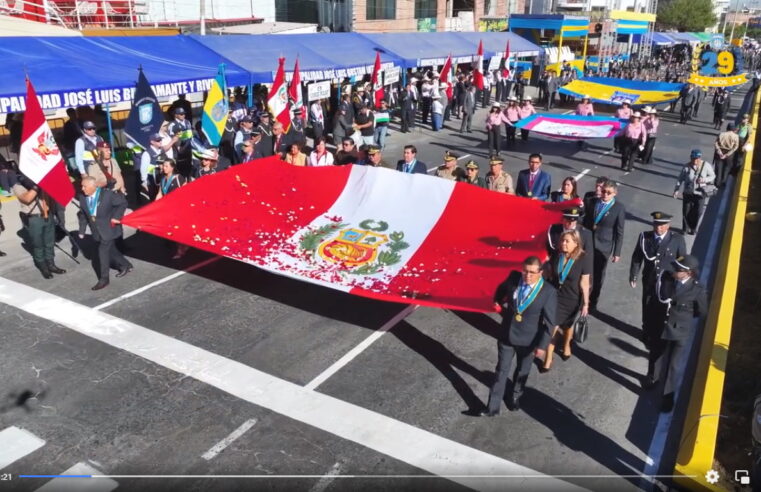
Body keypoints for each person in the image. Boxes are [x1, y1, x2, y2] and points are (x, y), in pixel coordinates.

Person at [482, 256, 557, 415]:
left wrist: (542, 346)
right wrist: (497, 300)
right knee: (501, 371)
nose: (527, 276)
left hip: (529, 340)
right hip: (507, 335)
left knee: (522, 371)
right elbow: (502, 289)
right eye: (525, 271)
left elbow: (550, 323)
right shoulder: (513, 278)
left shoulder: (548, 292)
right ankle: (492, 407)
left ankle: (514, 396)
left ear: (540, 272)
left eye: (532, 272)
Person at [642, 255, 707, 413]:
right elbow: (655, 299)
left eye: (679, 270)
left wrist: (684, 317)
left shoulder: (697, 289)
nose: (675, 271)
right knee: (656, 353)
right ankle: (653, 378)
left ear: (688, 273)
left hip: (680, 330)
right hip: (662, 325)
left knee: (673, 365)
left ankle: (667, 397)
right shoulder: (666, 278)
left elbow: (702, 311)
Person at [630, 211, 687, 350]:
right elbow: (637, 257)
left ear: (668, 225)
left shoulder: (677, 239)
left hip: (667, 282)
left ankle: (658, 332)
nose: (658, 228)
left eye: (662, 225)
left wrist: (682, 281)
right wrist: (634, 275)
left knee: (662, 309)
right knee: (647, 305)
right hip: (650, 279)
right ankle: (647, 331)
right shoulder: (645, 237)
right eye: (656, 224)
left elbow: (682, 261)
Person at [542, 230, 591, 371]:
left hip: (571, 298)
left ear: (576, 243)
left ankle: (566, 344)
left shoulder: (583, 258)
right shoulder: (558, 255)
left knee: (567, 326)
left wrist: (586, 304)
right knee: (552, 328)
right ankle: (548, 358)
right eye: (562, 240)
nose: (563, 243)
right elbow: (550, 273)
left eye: (567, 241)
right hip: (554, 296)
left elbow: (585, 282)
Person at [77, 176, 132, 290]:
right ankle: (126, 265)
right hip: (96, 231)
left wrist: (116, 217)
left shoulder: (107, 195)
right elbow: (83, 215)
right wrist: (82, 230)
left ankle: (104, 279)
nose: (82, 189)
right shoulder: (82, 198)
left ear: (93, 186)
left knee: (103, 252)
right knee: (111, 250)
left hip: (109, 229)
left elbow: (122, 203)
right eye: (82, 186)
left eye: (85, 186)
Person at [583, 179, 626, 310]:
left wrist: (617, 252)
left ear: (614, 193)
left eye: (609, 192)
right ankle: (583, 297)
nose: (605, 194)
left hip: (604, 246)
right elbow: (584, 219)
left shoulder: (619, 208)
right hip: (588, 242)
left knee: (597, 274)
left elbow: (619, 231)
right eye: (603, 191)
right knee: (584, 272)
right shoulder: (592, 202)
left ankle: (593, 300)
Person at [13, 176, 66, 279]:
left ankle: (51, 264)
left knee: (50, 242)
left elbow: (52, 196)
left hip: (48, 216)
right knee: (38, 244)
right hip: (34, 218)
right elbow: (27, 198)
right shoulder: (18, 185)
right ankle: (43, 266)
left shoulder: (42, 181)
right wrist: (37, 186)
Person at [673, 149, 716, 235]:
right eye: (693, 159)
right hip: (688, 193)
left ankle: (694, 228)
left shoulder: (706, 165)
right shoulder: (686, 167)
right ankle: (685, 229)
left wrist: (704, 180)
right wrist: (676, 190)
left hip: (700, 194)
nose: (695, 161)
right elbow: (680, 179)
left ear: (700, 158)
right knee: (686, 212)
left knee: (698, 212)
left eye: (697, 159)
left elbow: (713, 176)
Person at [168, 107, 194, 175]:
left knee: (189, 169)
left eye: (184, 114)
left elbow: (190, 134)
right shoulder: (172, 125)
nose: (183, 115)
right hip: (179, 151)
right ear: (176, 115)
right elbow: (171, 137)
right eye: (181, 114)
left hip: (188, 149)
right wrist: (178, 146)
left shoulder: (187, 122)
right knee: (180, 170)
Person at [714, 122, 739, 188]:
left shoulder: (721, 134)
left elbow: (716, 143)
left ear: (727, 128)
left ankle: (717, 183)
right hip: (729, 154)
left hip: (720, 152)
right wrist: (727, 154)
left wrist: (719, 151)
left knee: (719, 168)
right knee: (727, 168)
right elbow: (735, 147)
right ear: (733, 129)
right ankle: (723, 182)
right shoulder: (735, 136)